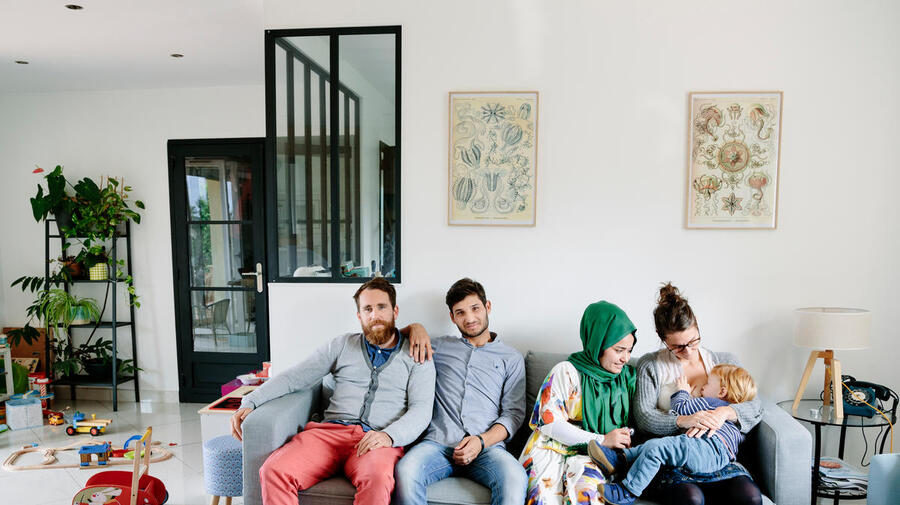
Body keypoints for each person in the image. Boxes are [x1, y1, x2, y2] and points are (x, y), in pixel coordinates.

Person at [229, 277, 436, 505]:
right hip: (328, 435)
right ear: (359, 316)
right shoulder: (342, 345)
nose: (374, 315)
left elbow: (421, 410)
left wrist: (389, 436)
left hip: (376, 439)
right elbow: (295, 376)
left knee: (378, 480)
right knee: (274, 470)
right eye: (367, 309)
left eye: (381, 307)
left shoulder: (417, 354)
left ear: (395, 311)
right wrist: (251, 401)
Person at [393, 278, 528, 505]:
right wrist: (414, 327)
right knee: (405, 471)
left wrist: (481, 441)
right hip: (438, 445)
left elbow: (513, 415)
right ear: (452, 317)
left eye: (475, 308)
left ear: (487, 306)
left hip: (487, 449)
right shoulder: (437, 347)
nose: (470, 318)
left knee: (515, 478)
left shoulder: (511, 358)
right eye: (460, 312)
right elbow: (389, 339)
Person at [632, 283, 763, 505]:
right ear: (662, 338)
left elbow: (756, 406)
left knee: (749, 497)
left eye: (693, 341)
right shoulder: (651, 365)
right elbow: (644, 417)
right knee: (691, 498)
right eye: (678, 347)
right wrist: (683, 420)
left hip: (717, 455)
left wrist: (723, 413)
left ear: (697, 326)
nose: (688, 351)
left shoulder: (724, 362)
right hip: (674, 457)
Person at [518, 301, 637, 505]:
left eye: (629, 350)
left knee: (586, 495)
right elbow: (548, 423)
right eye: (619, 350)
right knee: (543, 498)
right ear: (598, 342)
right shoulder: (566, 371)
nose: (625, 358)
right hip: (551, 448)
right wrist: (601, 439)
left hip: (593, 457)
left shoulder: (627, 379)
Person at [589, 364, 758, 504]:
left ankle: (627, 491)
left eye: (707, 383)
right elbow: (646, 418)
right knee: (654, 445)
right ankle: (620, 459)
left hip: (708, 448)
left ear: (721, 392)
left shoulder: (711, 403)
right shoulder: (735, 420)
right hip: (715, 453)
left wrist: (682, 391)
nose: (703, 387)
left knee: (657, 450)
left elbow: (682, 407)